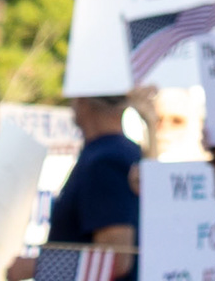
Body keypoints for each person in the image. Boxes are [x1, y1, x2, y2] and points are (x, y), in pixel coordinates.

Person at [34, 96, 138, 276]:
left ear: (82, 101)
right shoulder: (120, 152)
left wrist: (34, 267)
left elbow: (117, 258)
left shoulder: (105, 160)